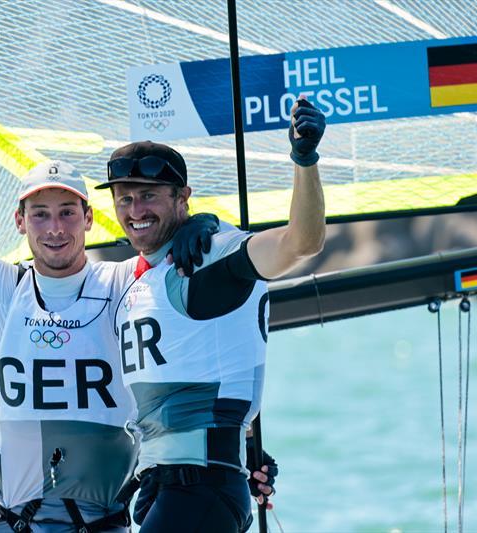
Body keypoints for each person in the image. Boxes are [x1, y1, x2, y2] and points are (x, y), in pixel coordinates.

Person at [0, 95, 275, 532]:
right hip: (15, 524)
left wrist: (204, 222)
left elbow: (205, 336)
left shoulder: (128, 283)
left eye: (68, 213)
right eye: (41, 214)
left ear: (89, 218)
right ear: (20, 221)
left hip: (103, 524)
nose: (55, 228)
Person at [96, 98, 326, 532]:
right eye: (124, 199)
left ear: (183, 197)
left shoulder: (210, 258)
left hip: (199, 489)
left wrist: (305, 159)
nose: (135, 210)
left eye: (148, 196)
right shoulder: (135, 275)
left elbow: (301, 242)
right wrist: (247, 448)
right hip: (159, 490)